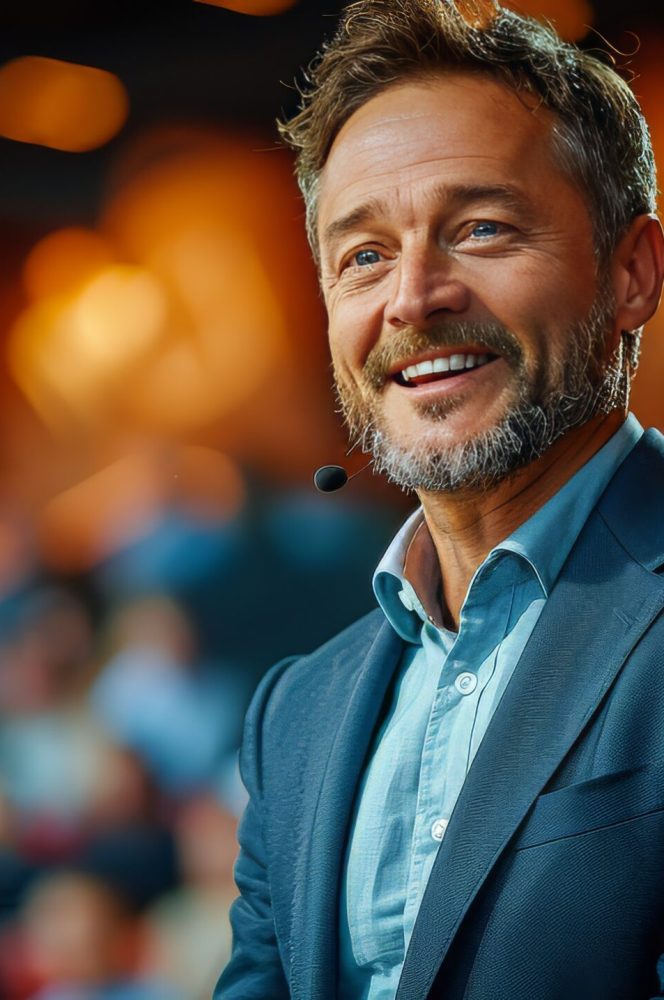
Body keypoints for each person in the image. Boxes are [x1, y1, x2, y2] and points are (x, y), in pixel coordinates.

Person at [215, 2, 664, 999]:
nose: (412, 298)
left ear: (631, 274)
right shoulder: (294, 715)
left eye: (481, 228)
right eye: (363, 254)